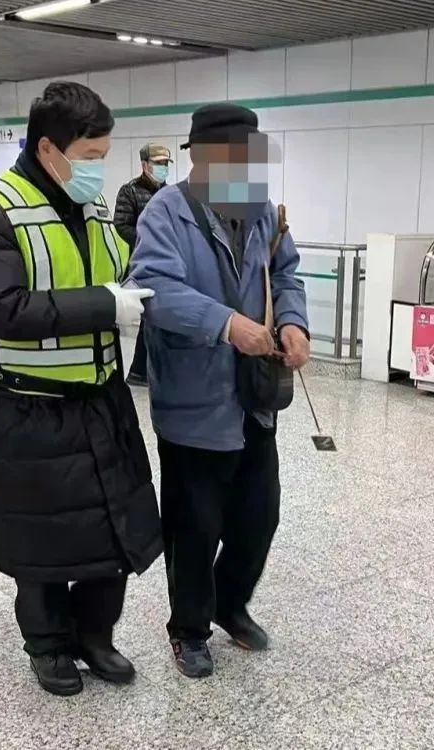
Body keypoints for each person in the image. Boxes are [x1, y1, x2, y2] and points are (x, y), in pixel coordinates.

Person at [0, 82, 162, 697]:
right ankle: (47, 647)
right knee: (39, 541)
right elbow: (1, 310)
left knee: (110, 531)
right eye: (90, 155)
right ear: (48, 149)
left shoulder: (92, 208)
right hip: (28, 409)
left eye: (104, 155)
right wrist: (104, 305)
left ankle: (95, 637)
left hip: (101, 400)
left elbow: (120, 269)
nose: (99, 168)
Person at [130, 103, 309, 679]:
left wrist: (293, 323)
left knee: (259, 517)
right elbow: (152, 286)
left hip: (254, 399)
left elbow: (286, 274)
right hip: (195, 399)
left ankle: (230, 604)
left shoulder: (261, 210)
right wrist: (227, 325)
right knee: (195, 526)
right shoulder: (167, 210)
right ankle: (189, 628)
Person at [114, 142, 173, 386]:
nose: (163, 168)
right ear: (145, 165)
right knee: (150, 316)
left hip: (166, 263)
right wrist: (148, 240)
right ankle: (139, 372)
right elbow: (121, 224)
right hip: (143, 264)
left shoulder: (170, 192)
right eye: (158, 163)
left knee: (157, 316)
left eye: (165, 163)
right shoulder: (130, 191)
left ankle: (143, 371)